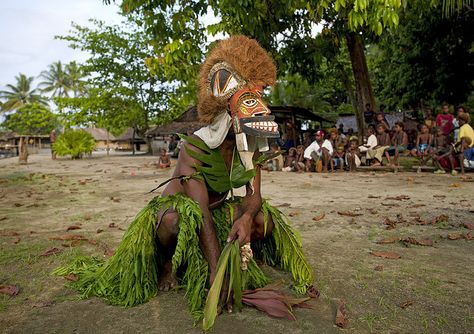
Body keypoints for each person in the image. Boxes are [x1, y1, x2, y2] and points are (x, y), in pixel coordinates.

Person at [55, 36, 314, 322]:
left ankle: (248, 254)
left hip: (219, 212)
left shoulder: (248, 146)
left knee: (262, 221)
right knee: (173, 222)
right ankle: (168, 263)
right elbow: (199, 212)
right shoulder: (194, 147)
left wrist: (246, 217)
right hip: (188, 213)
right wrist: (217, 272)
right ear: (226, 116)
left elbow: (254, 195)